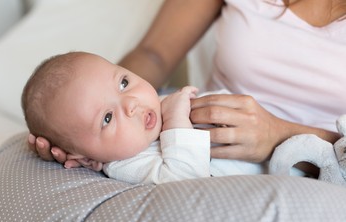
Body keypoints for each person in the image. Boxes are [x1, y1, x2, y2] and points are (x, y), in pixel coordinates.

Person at [29, 0, 345, 169]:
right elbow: (154, 54)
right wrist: (88, 121)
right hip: (190, 144)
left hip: (322, 172)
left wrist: (281, 136)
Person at [22, 51, 272, 184]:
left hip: (275, 156)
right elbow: (185, 182)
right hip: (268, 182)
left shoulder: (155, 108)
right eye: (107, 118)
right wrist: (175, 119)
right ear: (87, 158)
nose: (132, 103)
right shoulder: (128, 163)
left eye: (123, 82)